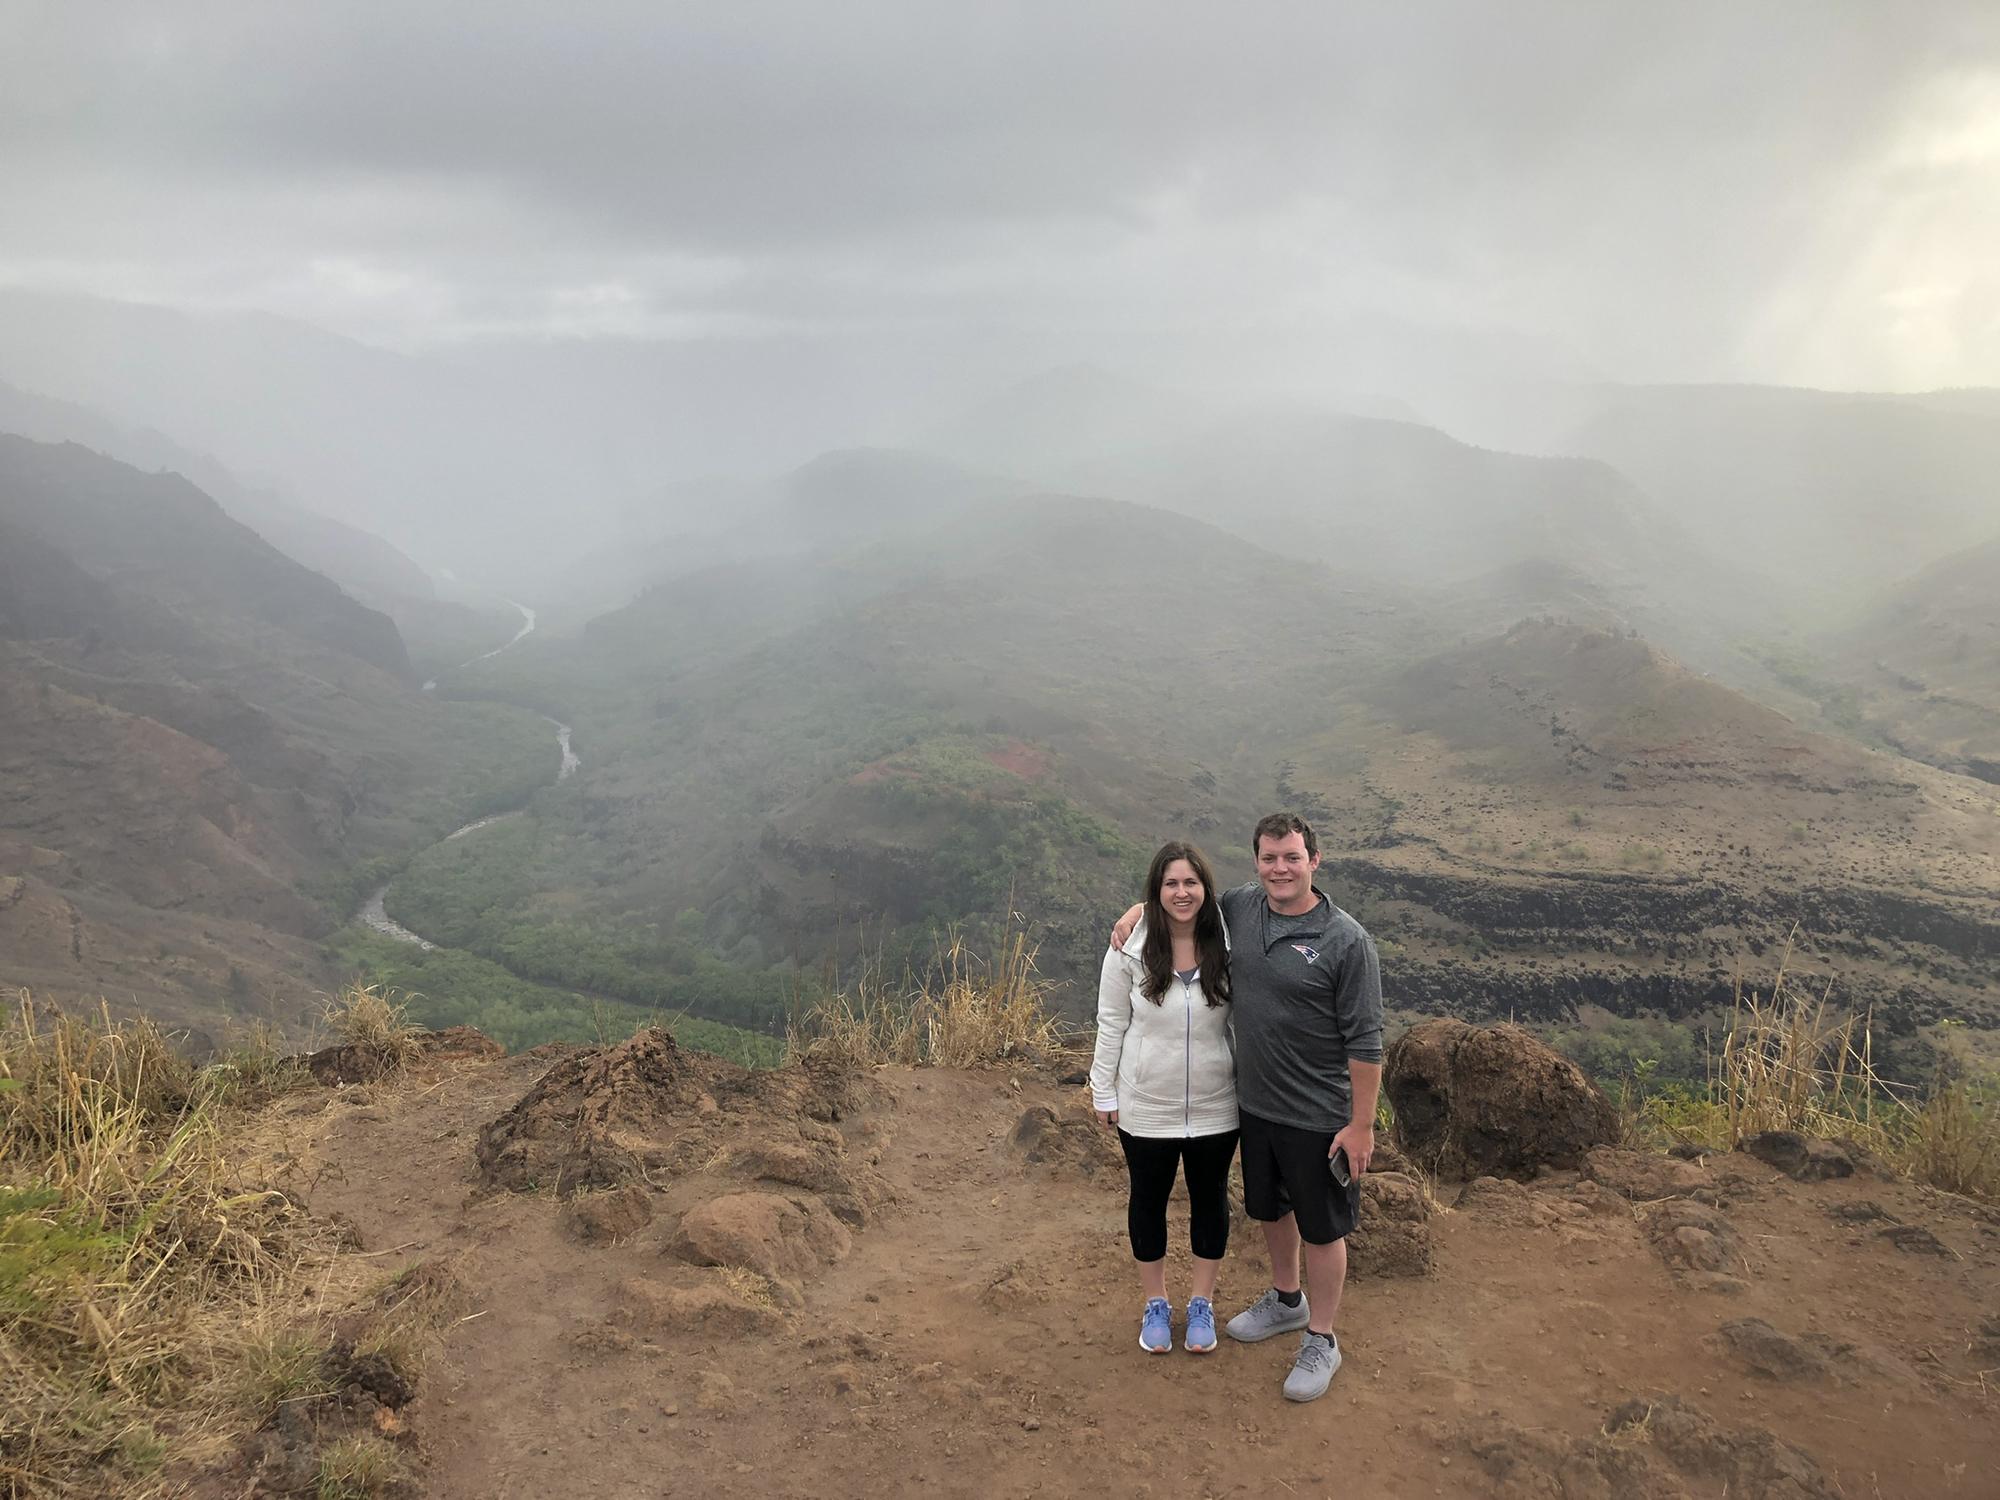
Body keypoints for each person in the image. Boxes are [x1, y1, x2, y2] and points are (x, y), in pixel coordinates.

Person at [1110, 813, 1382, 1402]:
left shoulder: (1346, 940)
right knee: (1271, 1210)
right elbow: (1182, 900)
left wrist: (1361, 1125)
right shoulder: (1241, 907)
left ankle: (1322, 1337)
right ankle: (1287, 1300)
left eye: (1292, 857)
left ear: (1314, 860)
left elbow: (1365, 1040)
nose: (1280, 869)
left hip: (1318, 1112)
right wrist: (1135, 913)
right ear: (1256, 862)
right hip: (1253, 1105)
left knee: (1322, 1227)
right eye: (1269, 858)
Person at [1089, 840, 1239, 1355]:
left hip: (1217, 1104)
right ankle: (1155, 1302)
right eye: (1170, 883)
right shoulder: (1129, 948)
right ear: (1155, 890)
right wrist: (1102, 1089)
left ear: (1206, 889)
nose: (1181, 893)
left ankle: (1202, 1302)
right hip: (1146, 1104)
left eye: (1190, 882)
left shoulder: (1228, 939)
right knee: (1148, 1200)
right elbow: (1111, 1022)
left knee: (1210, 1200)